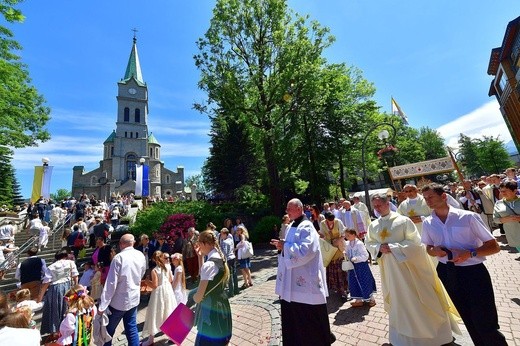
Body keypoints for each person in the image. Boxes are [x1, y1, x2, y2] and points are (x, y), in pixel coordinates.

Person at [365, 193, 460, 346]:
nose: (377, 208)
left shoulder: (403, 221)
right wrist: (378, 247)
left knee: (418, 297)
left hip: (410, 270)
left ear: (387, 203)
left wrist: (394, 247)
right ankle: (402, 339)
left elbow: (416, 244)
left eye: (379, 205)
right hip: (390, 271)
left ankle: (434, 337)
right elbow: (369, 243)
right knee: (398, 301)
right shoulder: (373, 225)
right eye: (374, 206)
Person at [421, 183, 508, 345]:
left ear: (444, 196)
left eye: (431, 196)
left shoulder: (468, 217)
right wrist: (436, 250)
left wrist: (470, 253)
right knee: (468, 318)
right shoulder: (428, 223)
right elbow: (428, 248)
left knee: (484, 319)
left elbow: (494, 246)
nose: (428, 201)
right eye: (425, 198)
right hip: (447, 272)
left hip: (473, 272)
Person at [271, 198, 331, 346]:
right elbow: (290, 247)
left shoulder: (306, 226)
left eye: (289, 208)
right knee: (294, 319)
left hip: (306, 282)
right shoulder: (292, 225)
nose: (287, 211)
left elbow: (307, 250)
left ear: (298, 209)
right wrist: (283, 246)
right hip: (292, 283)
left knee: (309, 322)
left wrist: (284, 246)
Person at [98, 233, 146, 346]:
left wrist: (103, 305)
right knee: (131, 328)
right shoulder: (140, 255)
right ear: (133, 243)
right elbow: (142, 273)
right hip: (133, 298)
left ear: (121, 244)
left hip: (118, 301)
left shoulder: (119, 258)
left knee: (108, 331)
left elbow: (111, 283)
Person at [192, 230, 232, 345]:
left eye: (199, 244)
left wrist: (193, 298)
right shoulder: (220, 256)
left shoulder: (209, 264)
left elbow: (199, 297)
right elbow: (204, 276)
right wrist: (200, 258)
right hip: (222, 304)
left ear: (205, 244)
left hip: (211, 310)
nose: (199, 247)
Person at [39, 248, 79, 340]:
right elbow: (75, 277)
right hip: (68, 287)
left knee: (54, 310)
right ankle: (66, 330)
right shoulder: (70, 263)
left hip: (55, 289)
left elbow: (46, 283)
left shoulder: (51, 266)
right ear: (65, 256)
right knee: (66, 308)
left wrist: (40, 297)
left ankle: (55, 332)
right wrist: (76, 288)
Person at [141, 251, 177, 346]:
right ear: (161, 257)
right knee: (169, 311)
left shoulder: (155, 270)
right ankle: (172, 336)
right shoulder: (167, 267)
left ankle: (151, 339)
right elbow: (170, 279)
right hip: (168, 291)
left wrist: (147, 282)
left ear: (153, 259)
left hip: (159, 293)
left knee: (155, 313)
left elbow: (155, 285)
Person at [319, 211, 348, 300]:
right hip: (329, 248)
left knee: (339, 266)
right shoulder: (322, 223)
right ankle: (334, 287)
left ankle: (343, 289)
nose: (331, 222)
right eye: (329, 220)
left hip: (338, 247)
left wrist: (338, 240)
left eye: (332, 220)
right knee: (332, 266)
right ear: (326, 219)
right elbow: (323, 235)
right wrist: (321, 235)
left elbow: (344, 234)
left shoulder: (338, 221)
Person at [344, 229, 376, 307]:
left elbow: (366, 256)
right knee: (354, 282)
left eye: (348, 235)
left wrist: (357, 258)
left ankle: (372, 299)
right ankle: (358, 300)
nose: (347, 237)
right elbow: (348, 253)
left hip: (361, 266)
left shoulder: (359, 244)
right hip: (352, 267)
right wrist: (345, 254)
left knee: (365, 281)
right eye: (346, 235)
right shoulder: (347, 244)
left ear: (354, 235)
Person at [493, 180, 520, 252]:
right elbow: (495, 219)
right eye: (501, 191)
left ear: (515, 191)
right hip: (513, 234)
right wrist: (507, 219)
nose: (503, 193)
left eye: (506, 191)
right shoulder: (498, 203)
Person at [219, 228, 239, 297]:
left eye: (221, 234)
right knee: (235, 274)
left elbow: (224, 253)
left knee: (229, 276)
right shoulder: (230, 240)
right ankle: (236, 289)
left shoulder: (224, 242)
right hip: (233, 258)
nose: (220, 235)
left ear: (225, 234)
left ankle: (231, 292)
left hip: (228, 259)